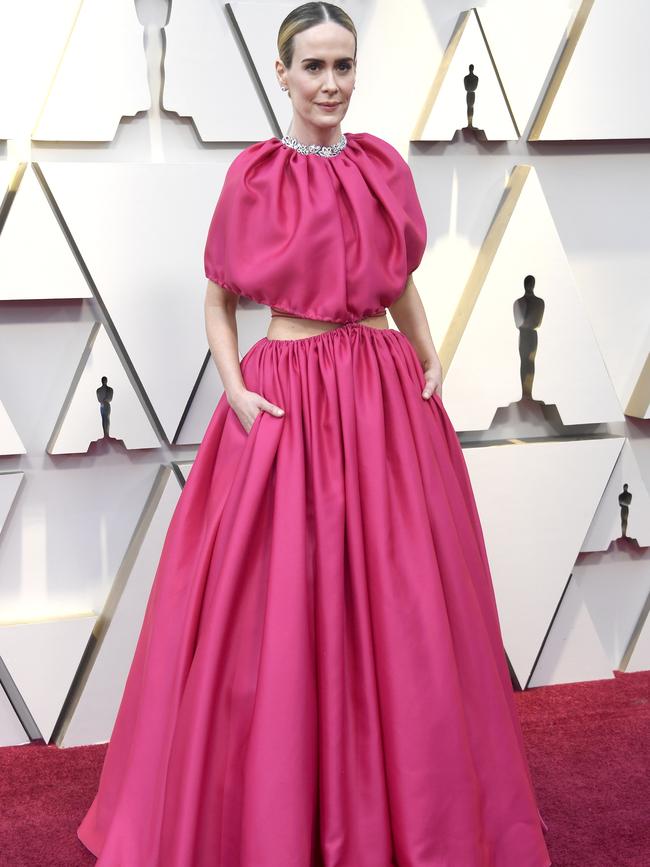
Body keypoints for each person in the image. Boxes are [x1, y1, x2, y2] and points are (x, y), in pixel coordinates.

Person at [77, 3, 552, 865]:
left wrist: (429, 353)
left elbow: (399, 280)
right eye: (315, 67)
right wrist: (235, 391)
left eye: (344, 65)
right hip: (285, 400)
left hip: (380, 398)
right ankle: (272, 807)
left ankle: (409, 808)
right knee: (274, 606)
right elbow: (219, 298)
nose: (331, 83)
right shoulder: (253, 178)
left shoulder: (380, 168)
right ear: (282, 72)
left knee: (400, 604)